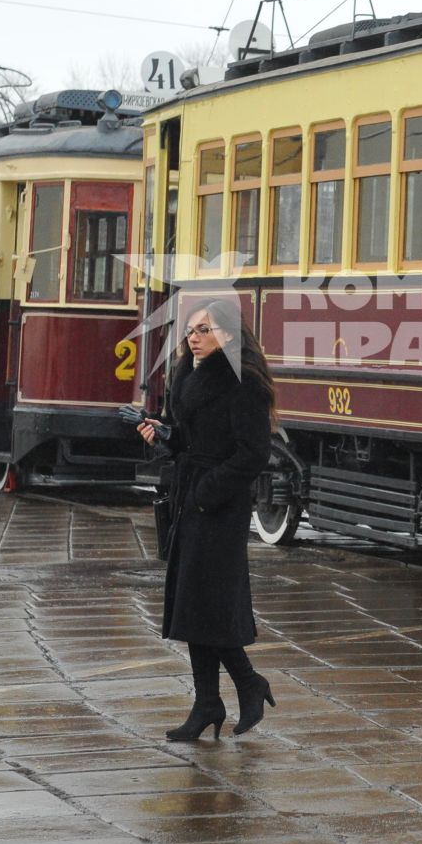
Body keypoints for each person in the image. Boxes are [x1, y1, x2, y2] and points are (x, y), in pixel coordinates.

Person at [137, 296, 277, 742]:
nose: (192, 339)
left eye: (203, 331)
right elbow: (189, 439)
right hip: (191, 500)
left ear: (228, 335)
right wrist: (162, 436)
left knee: (208, 605)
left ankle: (241, 686)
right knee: (196, 605)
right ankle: (210, 701)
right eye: (190, 331)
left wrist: (205, 492)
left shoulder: (244, 383)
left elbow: (253, 453)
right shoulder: (189, 376)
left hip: (218, 506)